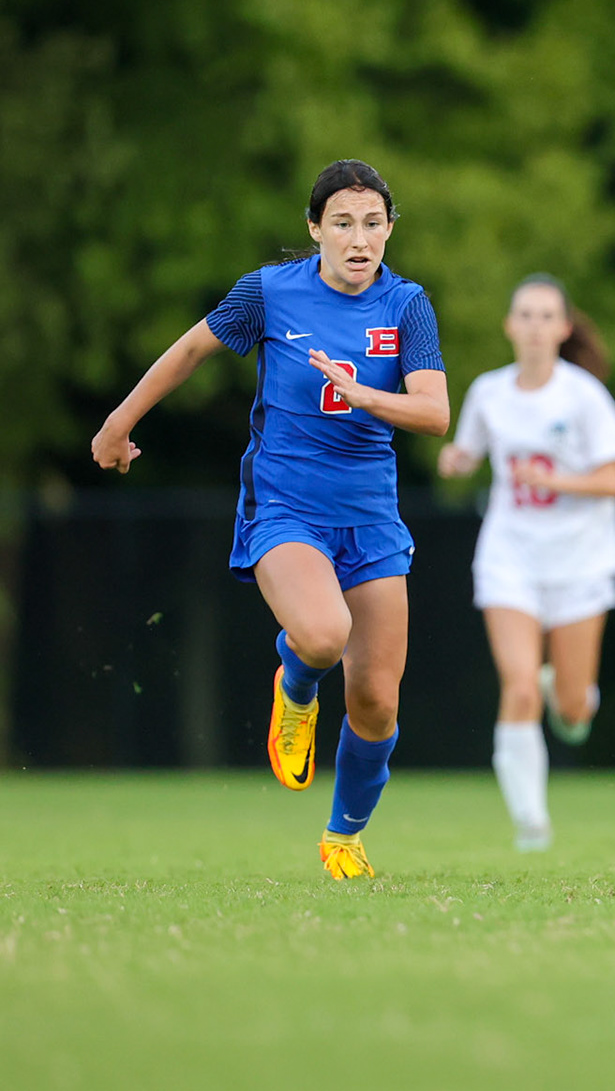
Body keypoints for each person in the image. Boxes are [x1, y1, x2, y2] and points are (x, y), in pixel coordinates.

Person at [90, 159, 448, 879]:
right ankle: (295, 684)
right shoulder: (268, 293)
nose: (358, 238)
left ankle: (343, 838)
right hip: (287, 504)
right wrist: (118, 422)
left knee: (376, 701)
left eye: (372, 224)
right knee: (321, 635)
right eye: (342, 223)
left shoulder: (407, 306)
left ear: (388, 231)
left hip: (371, 515)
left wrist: (363, 395)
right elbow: (192, 349)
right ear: (314, 229)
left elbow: (435, 415)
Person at [437, 275, 615, 851]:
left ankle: (569, 696)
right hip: (510, 557)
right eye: (525, 315)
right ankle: (530, 821)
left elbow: (612, 479)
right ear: (509, 327)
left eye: (547, 316)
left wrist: (553, 478)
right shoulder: (489, 392)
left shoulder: (584, 396)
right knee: (519, 686)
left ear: (564, 328)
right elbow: (467, 449)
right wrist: (456, 458)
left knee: (571, 710)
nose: (536, 326)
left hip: (581, 560)